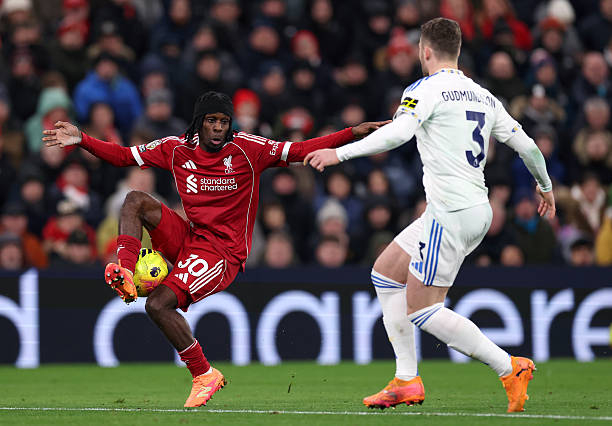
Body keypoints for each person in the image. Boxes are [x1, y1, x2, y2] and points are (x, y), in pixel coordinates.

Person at [42, 90, 386, 407]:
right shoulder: (176, 148)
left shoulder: (249, 149)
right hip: (190, 237)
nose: (219, 127)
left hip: (222, 252)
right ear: (199, 122)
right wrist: (82, 139)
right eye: (212, 120)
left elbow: (299, 150)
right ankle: (127, 273)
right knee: (134, 200)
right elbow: (122, 157)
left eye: (224, 121)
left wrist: (352, 133)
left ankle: (203, 373)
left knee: (158, 304)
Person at [304, 18, 556, 413]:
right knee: (386, 273)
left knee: (423, 308)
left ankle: (509, 367)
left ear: (425, 51)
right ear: (457, 50)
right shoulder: (484, 96)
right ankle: (406, 379)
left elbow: (398, 133)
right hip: (476, 208)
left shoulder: (424, 89)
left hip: (450, 211)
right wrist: (545, 186)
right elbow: (529, 147)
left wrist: (340, 153)